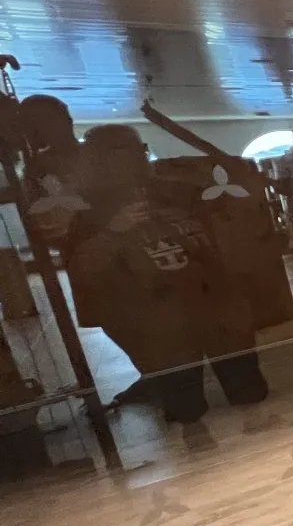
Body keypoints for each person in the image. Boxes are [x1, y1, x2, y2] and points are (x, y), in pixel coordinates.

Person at [64, 125, 267, 424]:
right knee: (186, 408)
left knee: (249, 390)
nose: (139, 156)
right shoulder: (85, 211)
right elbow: (84, 271)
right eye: (125, 149)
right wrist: (114, 232)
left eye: (140, 148)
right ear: (101, 157)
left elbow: (230, 225)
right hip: (156, 317)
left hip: (212, 302)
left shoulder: (178, 192)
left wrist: (189, 227)